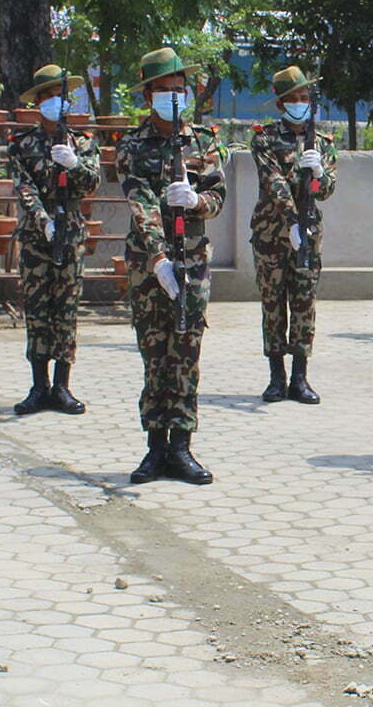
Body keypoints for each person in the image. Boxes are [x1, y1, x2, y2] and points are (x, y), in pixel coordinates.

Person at [116, 47, 230, 484]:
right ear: (148, 95)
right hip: (150, 264)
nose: (171, 95)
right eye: (162, 89)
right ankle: (154, 447)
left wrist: (196, 201)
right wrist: (158, 257)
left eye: (177, 89)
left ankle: (181, 445)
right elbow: (140, 203)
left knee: (185, 352)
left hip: (194, 261)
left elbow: (218, 197)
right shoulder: (131, 144)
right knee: (154, 353)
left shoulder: (203, 140)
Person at [7, 65, 102, 415]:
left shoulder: (83, 143)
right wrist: (42, 219)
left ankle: (62, 385)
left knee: (66, 309)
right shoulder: (22, 144)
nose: (54, 101)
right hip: (36, 236)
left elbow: (92, 183)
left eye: (58, 95)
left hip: (72, 231)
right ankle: (38, 385)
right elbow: (24, 186)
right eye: (46, 96)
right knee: (37, 309)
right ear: (38, 102)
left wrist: (74, 164)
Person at [250, 66, 337, 405]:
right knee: (273, 304)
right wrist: (291, 221)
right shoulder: (264, 138)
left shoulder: (323, 143)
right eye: (293, 99)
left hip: (309, 235)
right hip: (271, 233)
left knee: (303, 304)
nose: (300, 104)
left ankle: (300, 378)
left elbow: (326, 189)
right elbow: (274, 182)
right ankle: (276, 377)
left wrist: (317, 172)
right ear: (281, 104)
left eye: (305, 98)